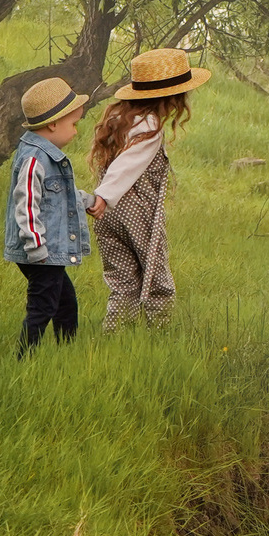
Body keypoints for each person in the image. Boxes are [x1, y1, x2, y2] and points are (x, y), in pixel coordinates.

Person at [88, 46, 211, 329]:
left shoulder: (120, 119)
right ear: (173, 96)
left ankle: (115, 336)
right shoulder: (149, 126)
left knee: (123, 280)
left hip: (109, 217)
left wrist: (103, 199)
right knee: (156, 277)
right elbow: (127, 164)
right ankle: (160, 333)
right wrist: (105, 196)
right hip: (136, 215)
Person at [3, 76, 94, 355]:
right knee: (43, 305)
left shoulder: (45, 156)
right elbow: (27, 203)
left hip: (45, 250)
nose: (76, 132)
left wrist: (89, 201)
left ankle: (66, 352)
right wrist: (35, 244)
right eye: (73, 124)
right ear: (53, 124)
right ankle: (24, 357)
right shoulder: (34, 159)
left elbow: (60, 195)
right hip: (40, 250)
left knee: (64, 301)